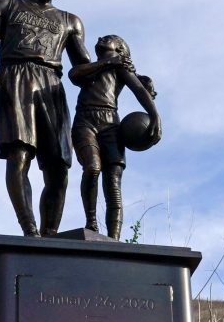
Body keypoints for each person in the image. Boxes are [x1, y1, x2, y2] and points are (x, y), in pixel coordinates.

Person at [0, 0, 123, 237]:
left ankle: (49, 235)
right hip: (16, 76)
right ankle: (29, 229)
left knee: (58, 166)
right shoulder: (5, 4)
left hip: (52, 84)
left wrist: (123, 72)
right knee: (20, 153)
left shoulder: (70, 21)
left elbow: (83, 70)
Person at [68, 35, 162, 240]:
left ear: (120, 49)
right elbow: (74, 74)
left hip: (110, 124)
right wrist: (110, 61)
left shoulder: (121, 68)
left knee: (113, 184)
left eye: (110, 38)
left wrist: (155, 115)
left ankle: (114, 238)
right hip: (85, 120)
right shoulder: (93, 67)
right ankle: (91, 221)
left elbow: (139, 89)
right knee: (92, 168)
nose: (102, 38)